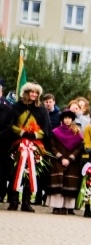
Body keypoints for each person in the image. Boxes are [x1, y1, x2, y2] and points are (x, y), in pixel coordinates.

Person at [7, 82, 50, 212]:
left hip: (35, 145)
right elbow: (10, 124)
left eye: (36, 93)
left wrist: (35, 134)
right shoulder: (16, 107)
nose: (34, 94)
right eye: (31, 92)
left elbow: (46, 128)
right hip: (18, 144)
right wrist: (21, 132)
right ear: (25, 92)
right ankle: (13, 201)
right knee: (16, 172)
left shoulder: (42, 109)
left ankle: (26, 202)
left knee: (31, 172)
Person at [46, 110, 84, 214]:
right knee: (58, 182)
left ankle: (67, 207)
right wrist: (61, 158)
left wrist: (70, 158)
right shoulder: (56, 132)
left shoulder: (77, 132)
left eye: (69, 118)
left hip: (72, 162)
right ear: (62, 120)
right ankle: (56, 206)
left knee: (69, 182)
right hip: (58, 161)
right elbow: (52, 146)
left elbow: (79, 148)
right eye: (65, 118)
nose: (67, 120)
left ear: (72, 120)